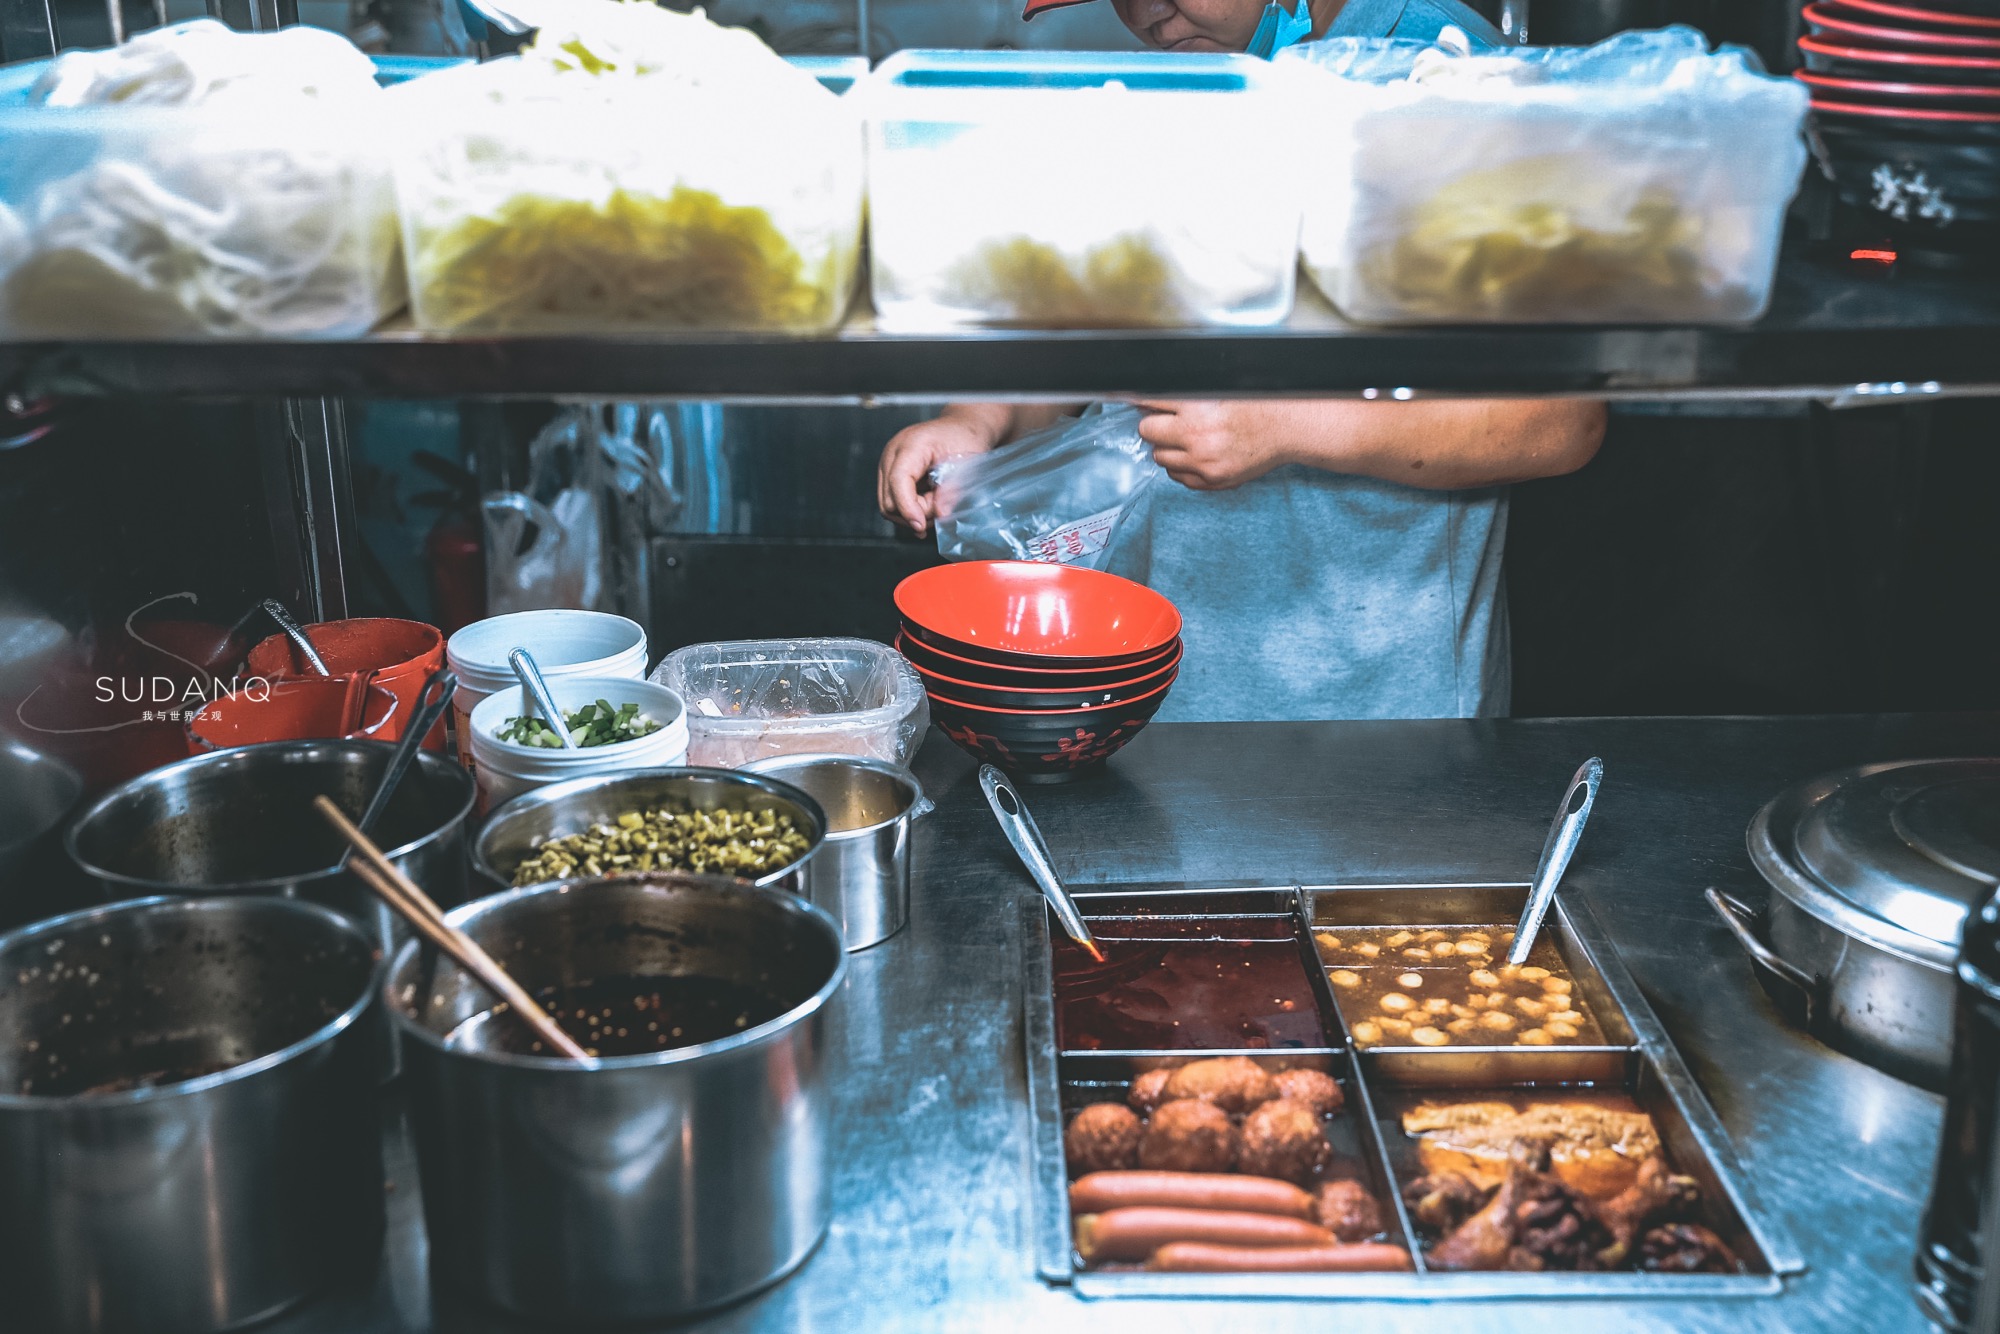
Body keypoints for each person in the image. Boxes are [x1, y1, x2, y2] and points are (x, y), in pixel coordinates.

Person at [877, 0, 1607, 723]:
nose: (1151, 16)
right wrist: (980, 418)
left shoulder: (1441, 77)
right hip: (1164, 688)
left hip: (1374, 711)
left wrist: (1286, 427)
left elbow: (1560, 419)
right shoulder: (1192, 90)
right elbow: (1100, 333)